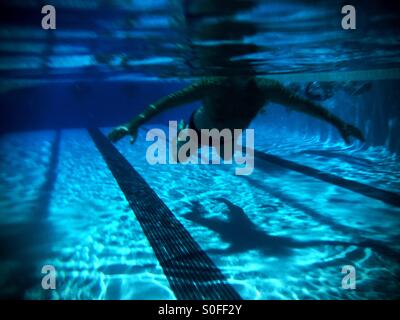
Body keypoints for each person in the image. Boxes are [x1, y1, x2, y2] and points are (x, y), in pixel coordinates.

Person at [108, 77, 364, 155]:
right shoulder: (210, 83)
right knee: (178, 156)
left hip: (227, 138)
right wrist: (134, 124)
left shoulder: (266, 88)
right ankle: (186, 130)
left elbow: (305, 106)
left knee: (226, 156)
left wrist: (338, 122)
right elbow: (166, 102)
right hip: (198, 128)